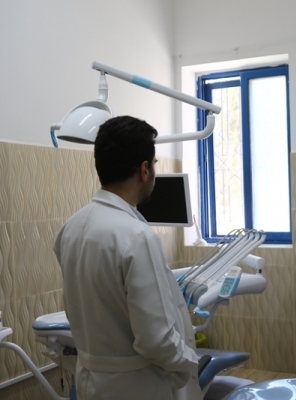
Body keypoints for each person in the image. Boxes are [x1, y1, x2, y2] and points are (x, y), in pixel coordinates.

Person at [54, 116, 203, 400]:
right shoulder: (137, 237)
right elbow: (156, 339)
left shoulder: (70, 228)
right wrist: (189, 362)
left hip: (89, 379)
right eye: (155, 164)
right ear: (144, 170)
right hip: (136, 386)